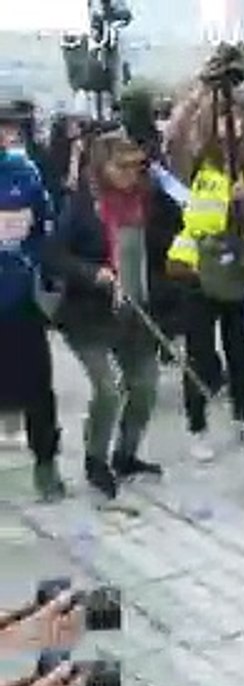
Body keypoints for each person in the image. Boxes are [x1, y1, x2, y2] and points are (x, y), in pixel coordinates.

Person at [46, 134, 165, 509]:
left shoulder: (147, 200)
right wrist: (92, 273)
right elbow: (54, 256)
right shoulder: (81, 206)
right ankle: (95, 459)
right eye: (122, 166)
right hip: (89, 315)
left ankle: (125, 454)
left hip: (137, 309)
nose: (131, 173)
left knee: (145, 385)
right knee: (108, 389)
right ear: (101, 166)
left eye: (135, 166)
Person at [164, 103, 244, 462]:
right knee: (199, 352)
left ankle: (242, 416)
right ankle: (197, 426)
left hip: (234, 267)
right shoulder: (195, 161)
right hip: (195, 269)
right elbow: (174, 135)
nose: (230, 126)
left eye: (236, 119)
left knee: (238, 349)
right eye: (223, 119)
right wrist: (199, 96)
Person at [0, 99, 65, 501]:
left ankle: (46, 462)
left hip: (19, 297)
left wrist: (34, 259)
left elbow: (45, 226)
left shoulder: (23, 173)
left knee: (38, 385)